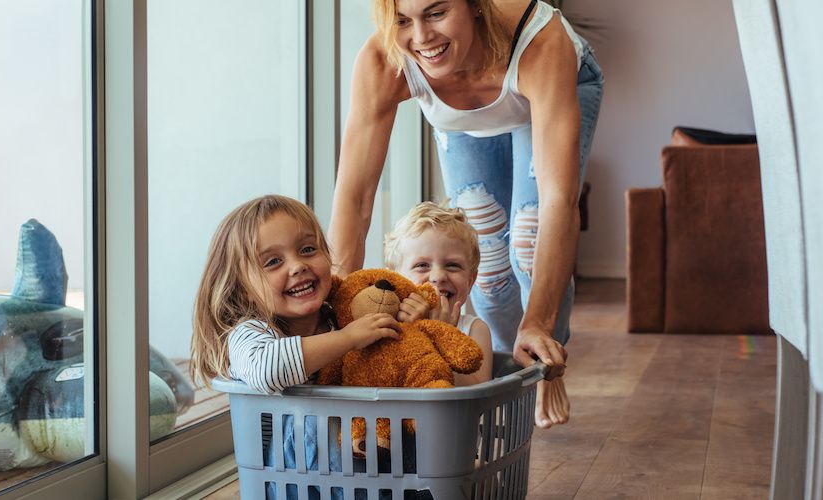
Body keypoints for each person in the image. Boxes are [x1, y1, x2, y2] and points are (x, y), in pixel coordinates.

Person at [328, 0, 604, 428]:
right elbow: (355, 197)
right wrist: (335, 313)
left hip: (548, 84)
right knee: (487, 269)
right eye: (403, 20)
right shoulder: (385, 59)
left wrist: (538, 325)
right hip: (467, 122)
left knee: (528, 238)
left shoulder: (538, 40)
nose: (421, 37)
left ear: (475, 4)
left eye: (436, 13)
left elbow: (559, 203)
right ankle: (503, 374)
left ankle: (544, 359)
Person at [192, 194, 404, 500]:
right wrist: (349, 339)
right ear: (245, 290)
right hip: (287, 484)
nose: (298, 266)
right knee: (312, 418)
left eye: (307, 249)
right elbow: (268, 370)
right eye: (273, 262)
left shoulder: (339, 319)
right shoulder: (250, 333)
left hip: (360, 469)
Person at [384, 201, 493, 386]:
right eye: (422, 265)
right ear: (395, 278)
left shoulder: (474, 330)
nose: (438, 277)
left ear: (470, 280)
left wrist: (438, 335)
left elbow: (477, 393)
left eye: (452, 265)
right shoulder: (387, 323)